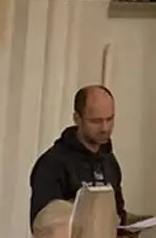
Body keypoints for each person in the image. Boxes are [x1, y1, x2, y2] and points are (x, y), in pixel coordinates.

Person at [29, 84, 128, 227]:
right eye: (96, 121)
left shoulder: (109, 161)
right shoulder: (52, 164)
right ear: (77, 119)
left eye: (110, 119)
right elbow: (42, 225)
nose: (105, 128)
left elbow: (119, 213)